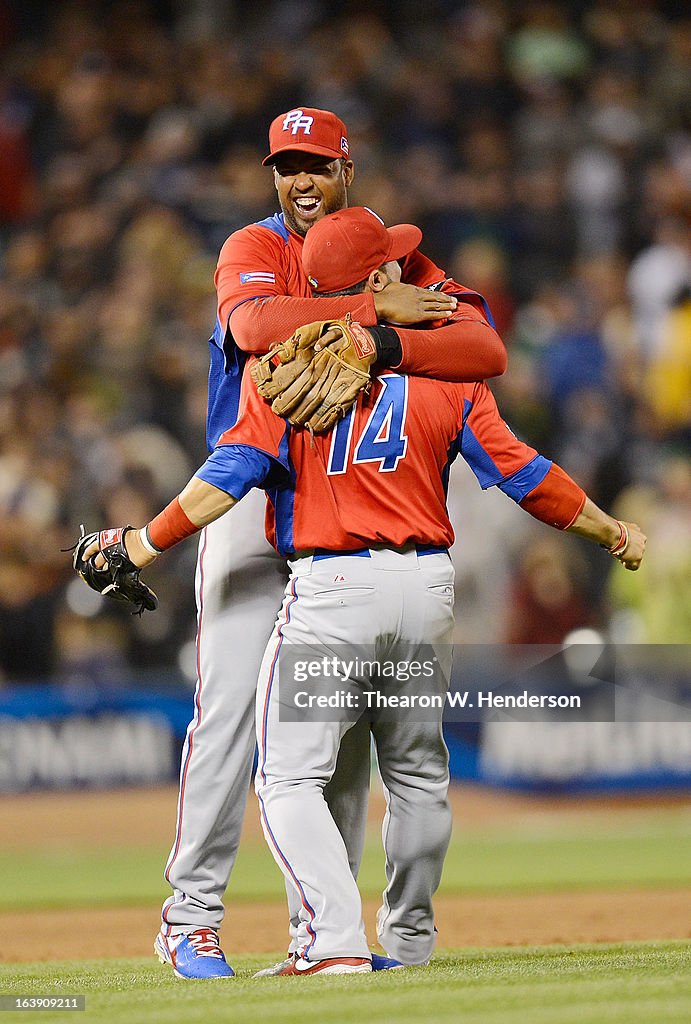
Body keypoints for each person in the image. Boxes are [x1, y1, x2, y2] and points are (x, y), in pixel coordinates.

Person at [82, 207, 645, 976]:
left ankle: (331, 940)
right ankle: (407, 942)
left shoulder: (280, 372)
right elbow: (522, 472)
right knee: (415, 773)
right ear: (373, 283)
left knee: (286, 777)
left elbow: (232, 472)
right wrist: (612, 530)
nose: (407, 273)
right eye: (391, 267)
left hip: (334, 588)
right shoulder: (444, 376)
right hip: (426, 589)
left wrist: (143, 541)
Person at [151, 106, 508, 978]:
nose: (300, 180)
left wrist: (378, 333)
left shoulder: (392, 252)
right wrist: (368, 306)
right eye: (285, 166)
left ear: (348, 168)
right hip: (245, 495)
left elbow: (481, 345)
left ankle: (329, 931)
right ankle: (189, 917)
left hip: (340, 522)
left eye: (315, 163)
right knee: (229, 713)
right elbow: (251, 329)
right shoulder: (252, 247)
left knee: (338, 738)